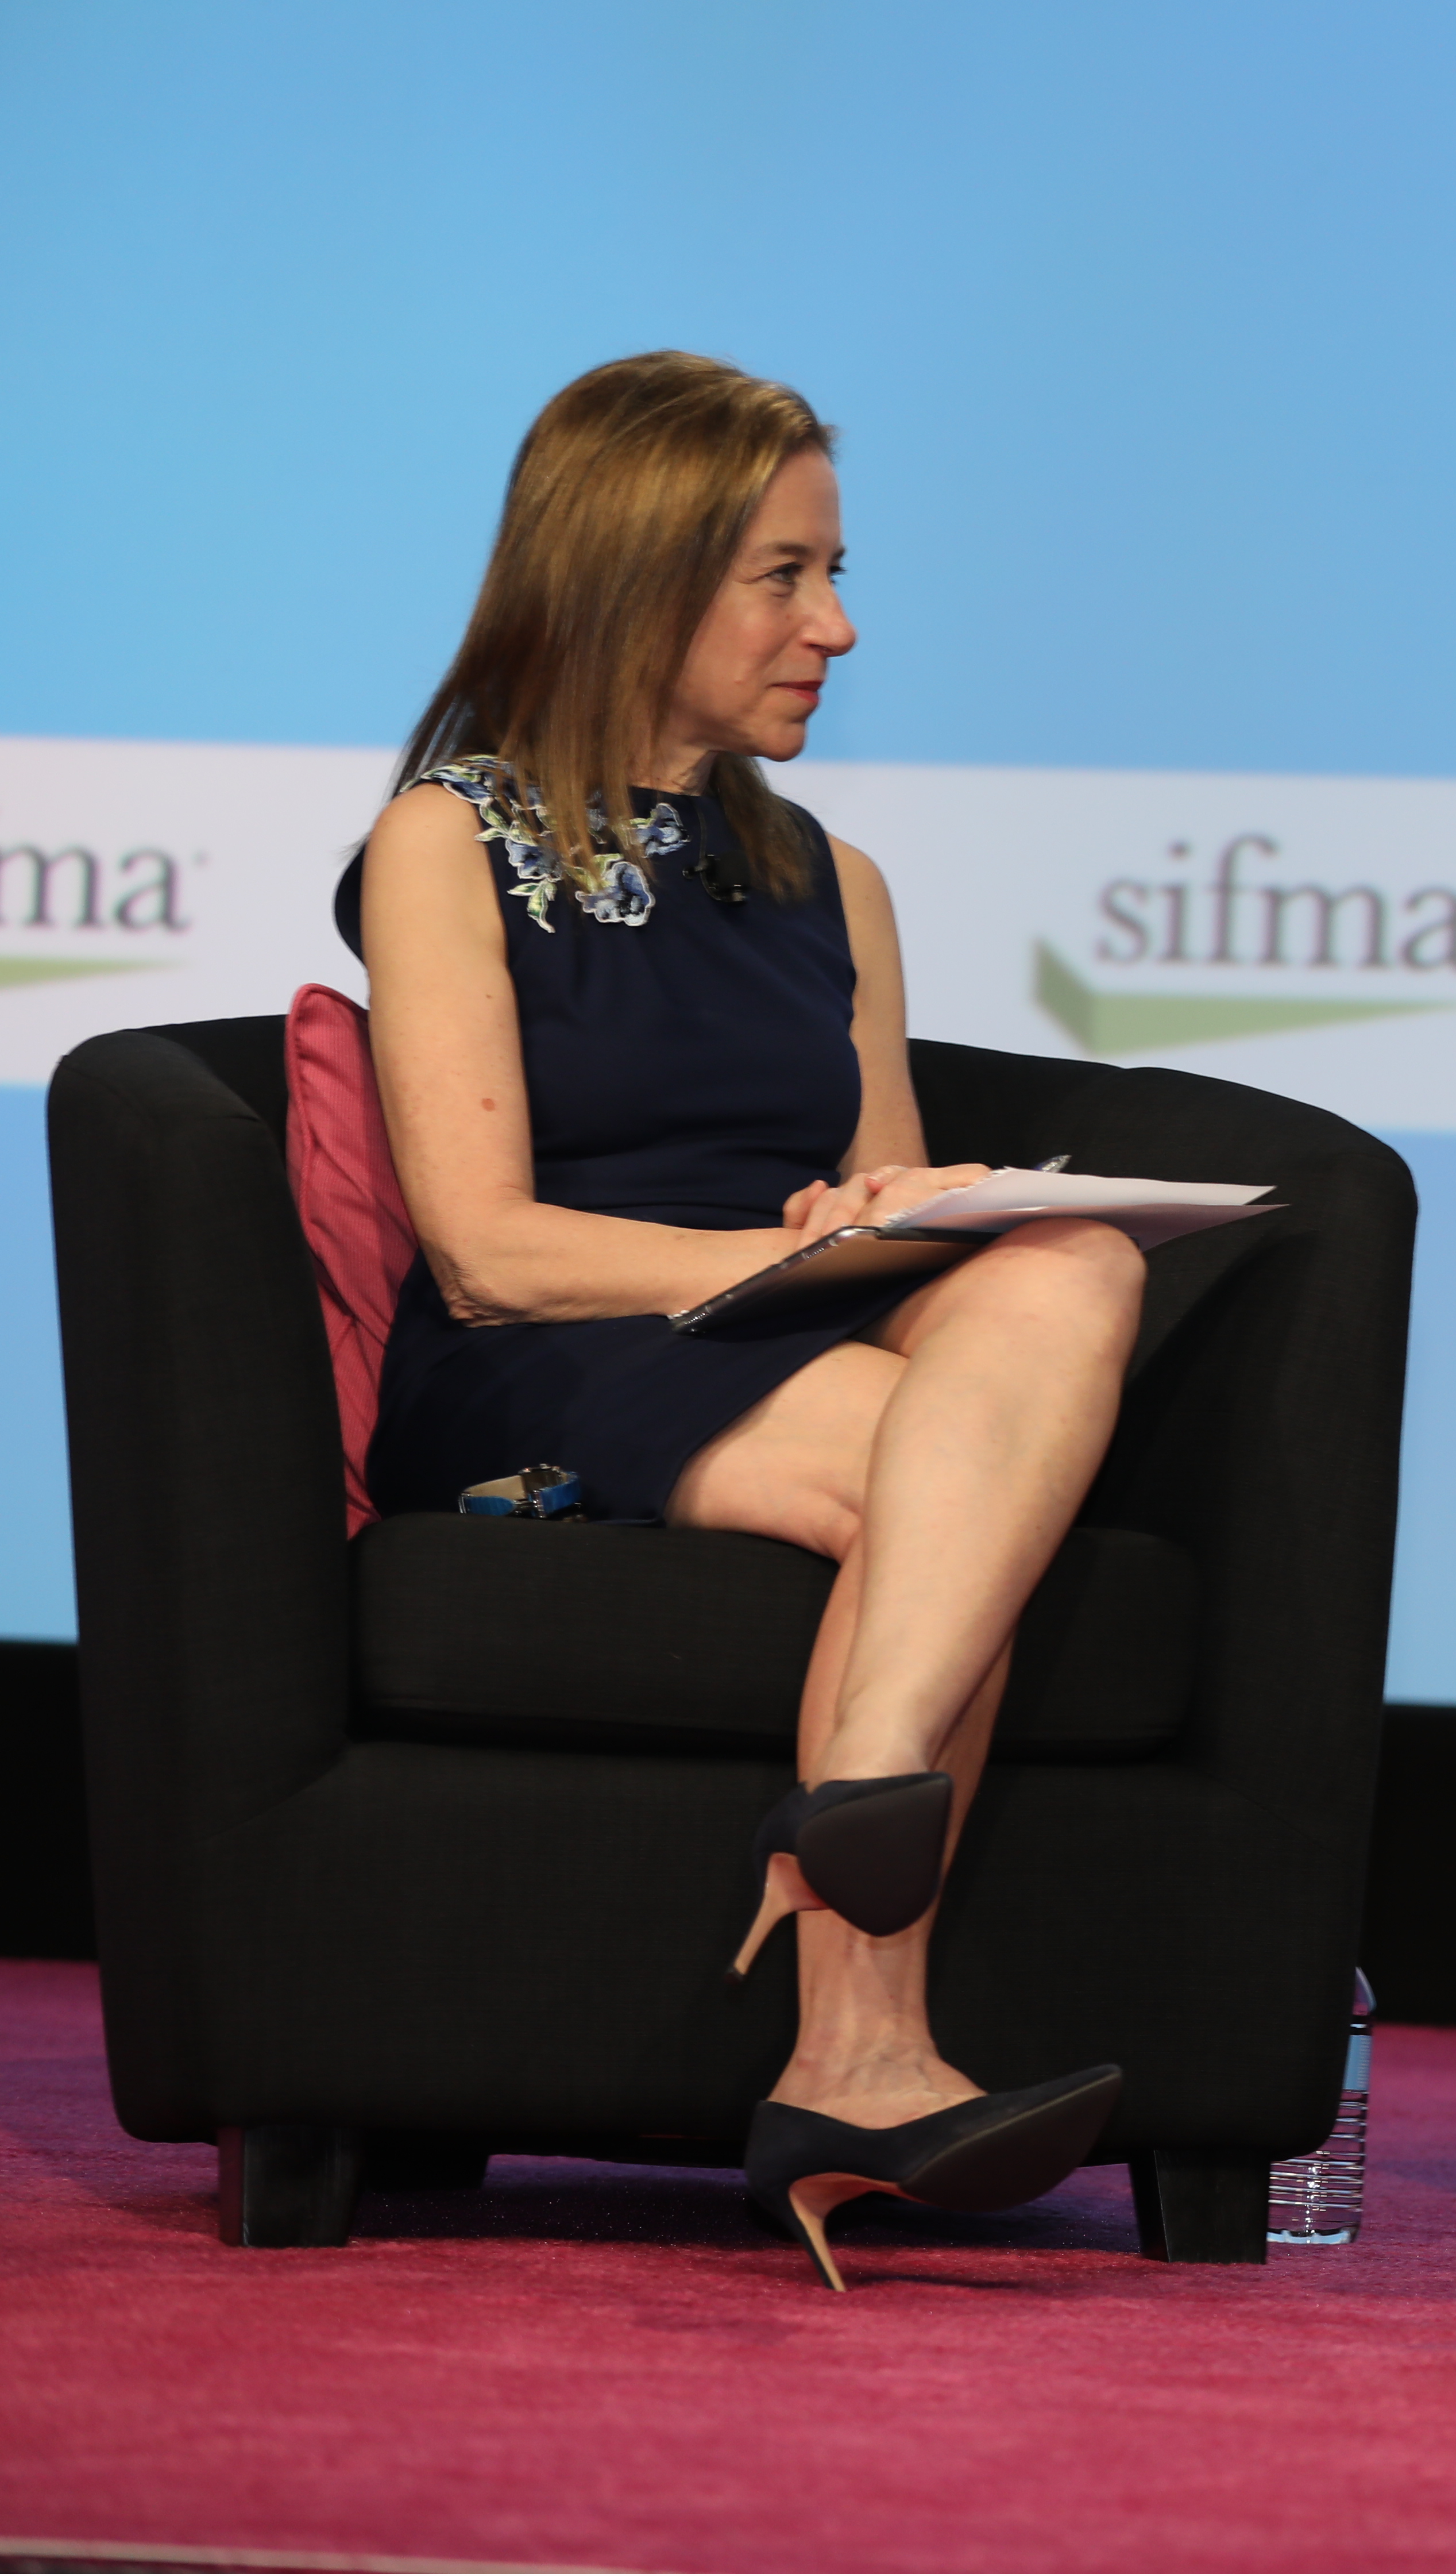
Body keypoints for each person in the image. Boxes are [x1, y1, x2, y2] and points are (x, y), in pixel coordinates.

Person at [346, 352, 1144, 2291]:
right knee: (948, 1478)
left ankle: (860, 1806)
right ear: (632, 573)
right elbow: (484, 1252)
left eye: (836, 573)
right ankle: (862, 2042)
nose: (838, 628)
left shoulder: (830, 879)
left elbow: (865, 1213)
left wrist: (893, 1219)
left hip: (781, 1345)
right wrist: (756, 1269)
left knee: (1082, 1268)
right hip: (546, 1363)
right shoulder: (447, 846)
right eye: (783, 577)